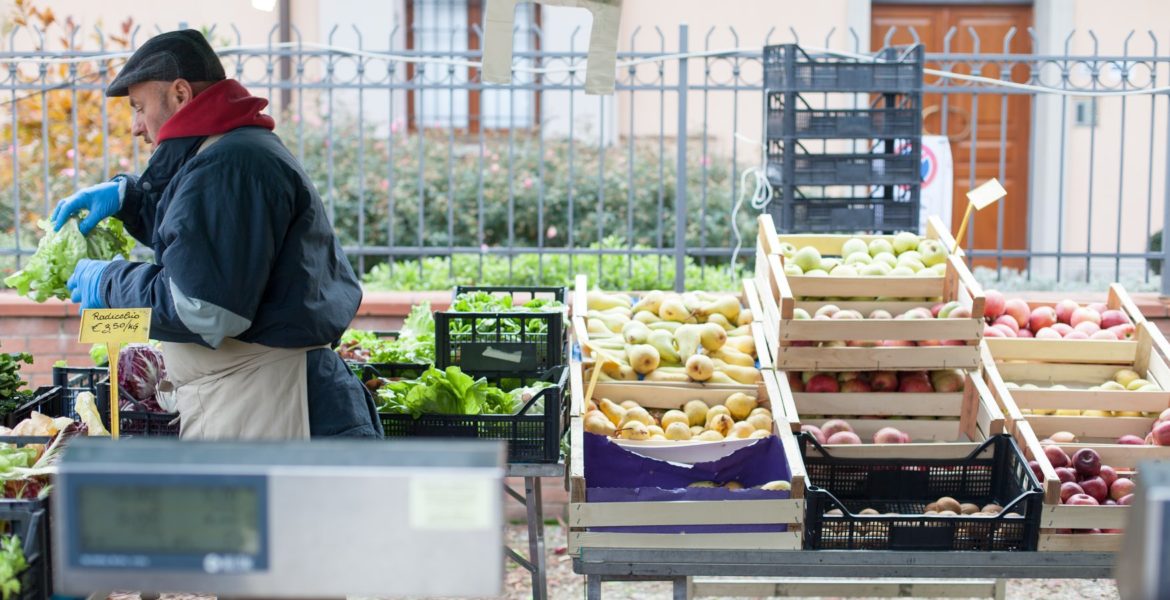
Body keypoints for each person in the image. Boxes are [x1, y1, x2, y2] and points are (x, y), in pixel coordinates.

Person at [55, 29, 382, 440]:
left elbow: (204, 307)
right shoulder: (232, 150)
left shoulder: (228, 165)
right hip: (259, 391)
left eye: (139, 107)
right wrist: (131, 200)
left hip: (268, 400)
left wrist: (108, 281)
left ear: (180, 94)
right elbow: (209, 243)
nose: (136, 127)